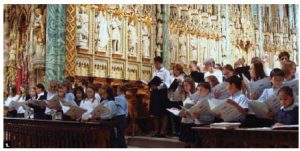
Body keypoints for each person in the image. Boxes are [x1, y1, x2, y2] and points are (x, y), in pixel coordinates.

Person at [149, 56, 171, 138]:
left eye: (155, 63)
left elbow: (167, 83)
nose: (155, 65)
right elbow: (152, 81)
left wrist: (158, 87)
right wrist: (150, 85)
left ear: (159, 63)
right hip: (154, 94)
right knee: (155, 113)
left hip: (162, 94)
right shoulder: (155, 72)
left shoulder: (166, 72)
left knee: (163, 113)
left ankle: (162, 131)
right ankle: (156, 131)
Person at [168, 64, 185, 136]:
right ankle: (173, 131)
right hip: (171, 98)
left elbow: (185, 87)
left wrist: (181, 83)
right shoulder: (171, 77)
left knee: (179, 116)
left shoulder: (182, 77)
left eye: (175, 70)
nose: (174, 71)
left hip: (179, 98)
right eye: (173, 69)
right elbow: (168, 85)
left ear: (179, 70)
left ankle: (179, 131)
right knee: (172, 116)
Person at [179, 77, 196, 148]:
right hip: (184, 120)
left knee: (192, 142)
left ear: (191, 85)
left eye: (186, 85)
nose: (185, 87)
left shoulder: (195, 95)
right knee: (185, 142)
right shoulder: (184, 94)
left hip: (191, 121)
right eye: (184, 85)